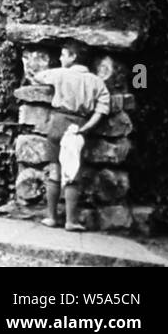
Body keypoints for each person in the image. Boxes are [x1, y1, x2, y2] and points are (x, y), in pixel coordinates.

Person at [33, 41, 111, 231]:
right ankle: (71, 221)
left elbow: (37, 77)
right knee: (72, 174)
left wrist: (58, 74)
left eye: (63, 54)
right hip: (78, 126)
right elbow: (102, 109)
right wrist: (86, 129)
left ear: (73, 57)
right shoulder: (96, 81)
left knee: (55, 171)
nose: (60, 58)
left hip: (57, 124)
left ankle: (51, 218)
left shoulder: (60, 73)